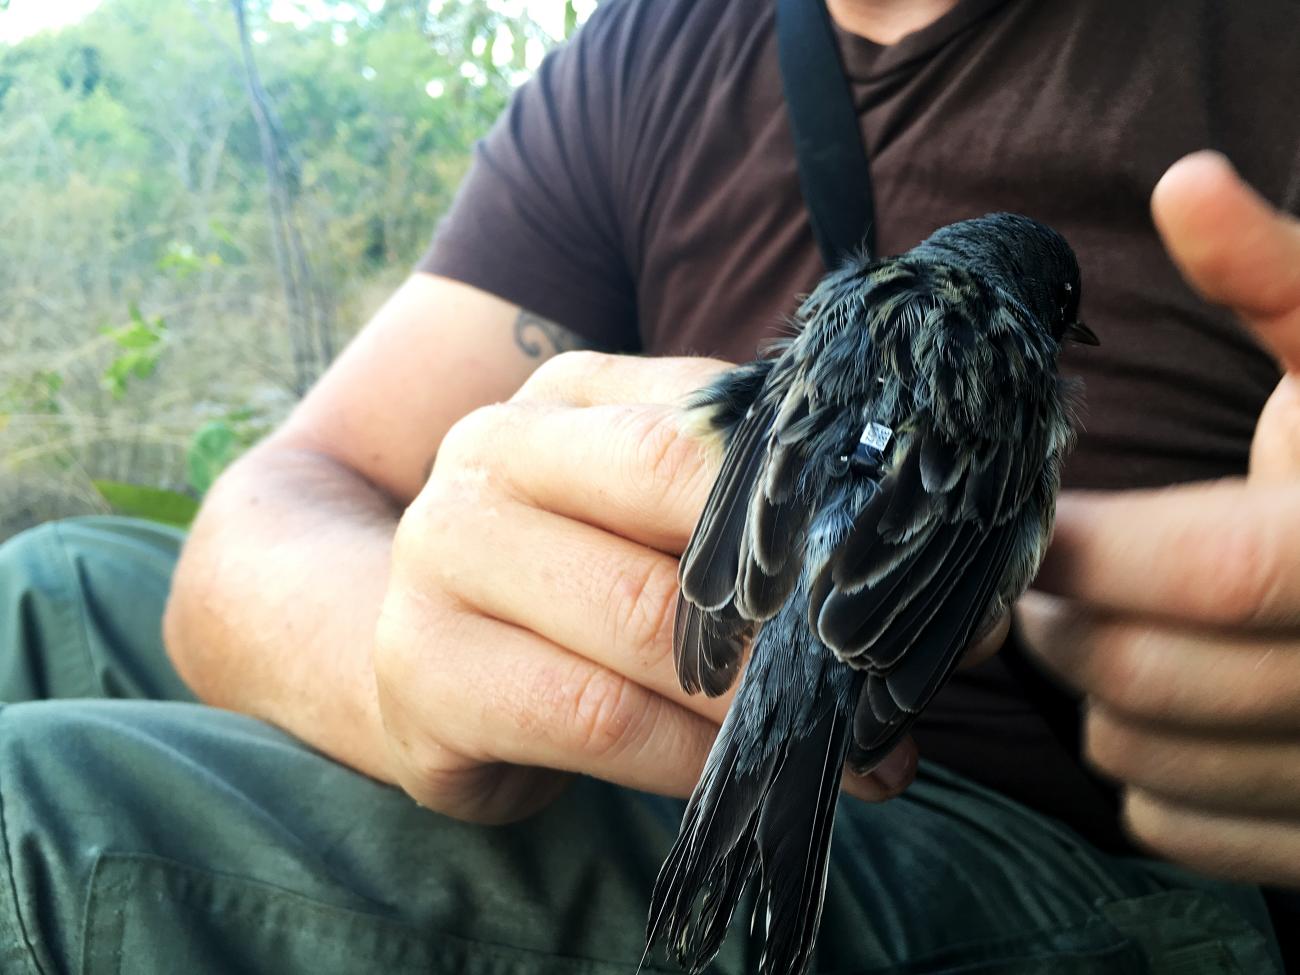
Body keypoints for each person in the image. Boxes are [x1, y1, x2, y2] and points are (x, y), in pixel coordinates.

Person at [1, 0, 1297, 971]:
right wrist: (404, 677)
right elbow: (294, 482)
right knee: (44, 580)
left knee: (27, 815)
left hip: (1074, 850)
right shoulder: (650, 53)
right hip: (804, 671)